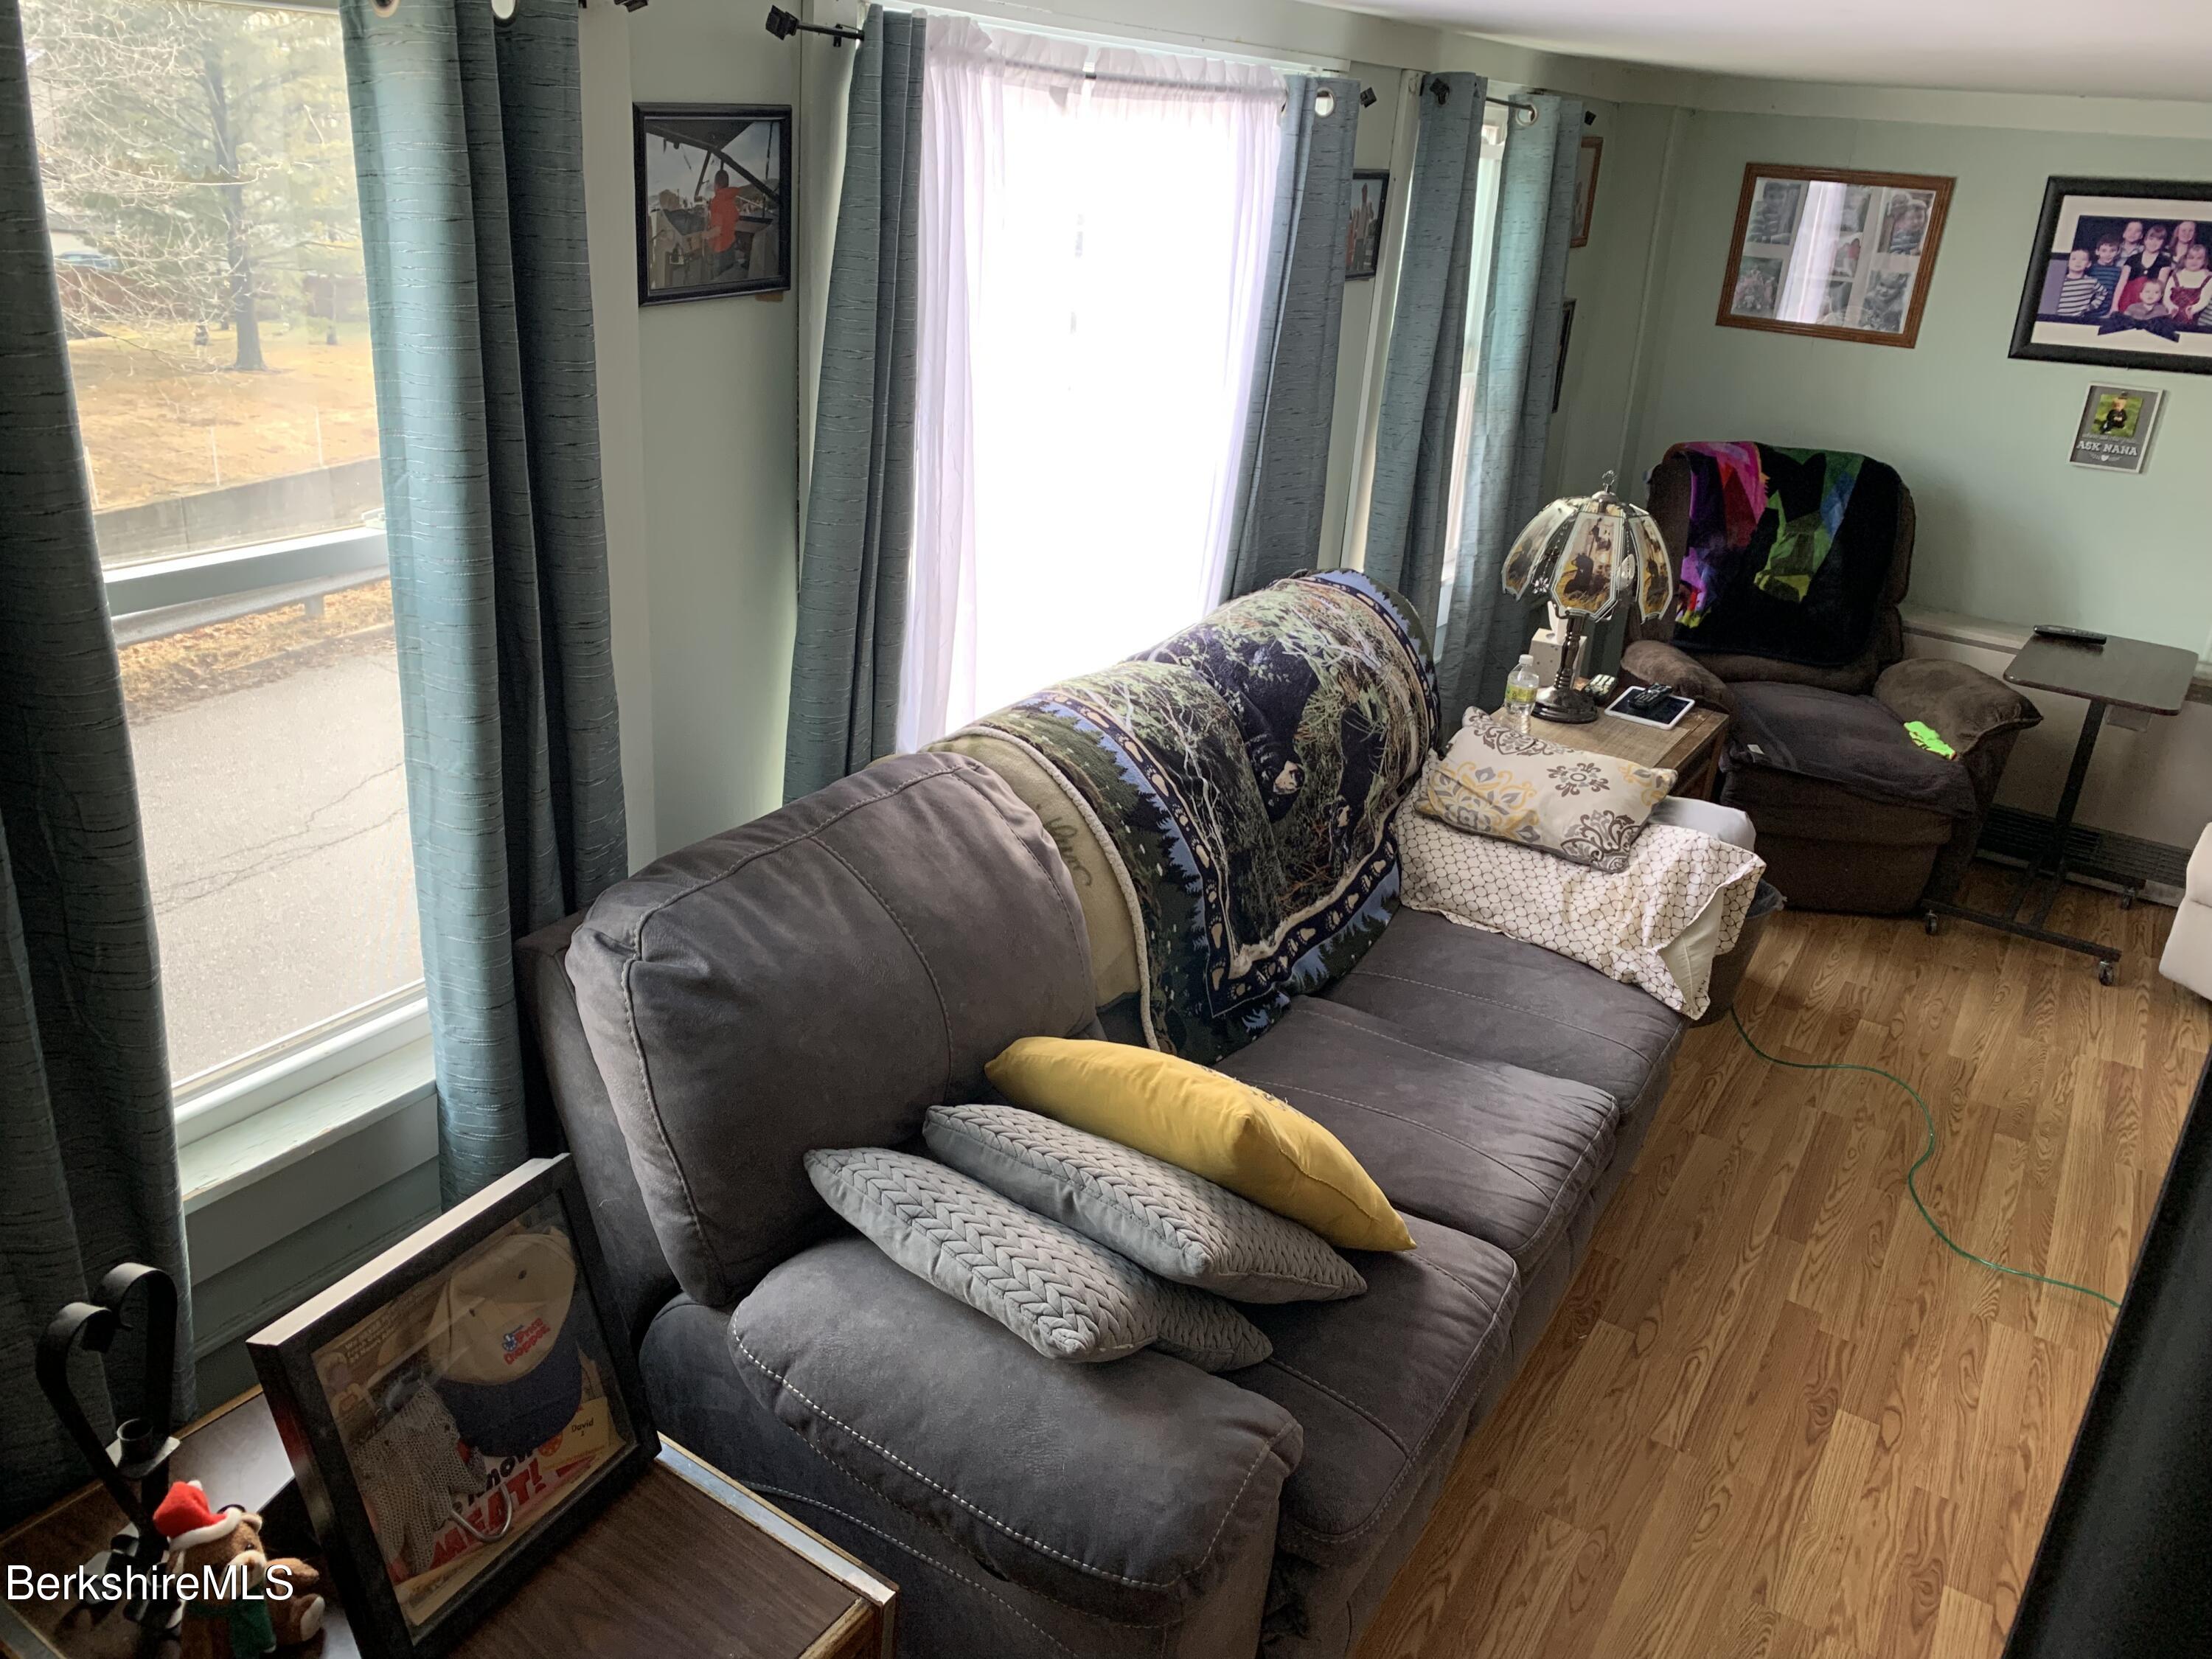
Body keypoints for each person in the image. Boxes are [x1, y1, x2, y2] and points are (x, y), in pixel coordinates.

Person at [2100, 275, 2183, 341]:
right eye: (2147, 292)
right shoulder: (2132, 308)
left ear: (2161, 296)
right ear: (2141, 294)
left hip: (2152, 339)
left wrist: (2171, 316)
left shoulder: (2161, 310)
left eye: (2156, 292)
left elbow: (2162, 327)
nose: (2151, 295)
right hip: (2131, 337)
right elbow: (2124, 323)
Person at [2168, 240, 2212, 328]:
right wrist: (2170, 307)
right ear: (2185, 259)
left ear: (2204, 261)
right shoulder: (2176, 276)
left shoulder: (2208, 278)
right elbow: (2167, 296)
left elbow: (2204, 300)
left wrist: (2193, 309)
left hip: (2193, 318)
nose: (2194, 261)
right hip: (2172, 315)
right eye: (2191, 258)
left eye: (2199, 258)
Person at [707, 167, 741, 278]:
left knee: (718, 280)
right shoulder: (730, 200)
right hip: (731, 245)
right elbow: (736, 217)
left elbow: (717, 231)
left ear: (716, 185)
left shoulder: (717, 201)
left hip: (720, 249)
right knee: (729, 275)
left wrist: (703, 235)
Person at [2055, 248, 2108, 318]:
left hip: (2078, 319)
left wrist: (2091, 306)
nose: (2078, 262)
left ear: (2088, 264)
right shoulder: (2059, 280)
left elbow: (2103, 292)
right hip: (2057, 318)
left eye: (2083, 259)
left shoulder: (2091, 281)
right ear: (2067, 262)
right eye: (2074, 259)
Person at [2087, 237, 2126, 313]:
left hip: (2107, 313)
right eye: (2104, 251)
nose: (2108, 254)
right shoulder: (2090, 269)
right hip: (2088, 311)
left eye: (2112, 251)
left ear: (2118, 252)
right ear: (2097, 252)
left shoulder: (2118, 271)